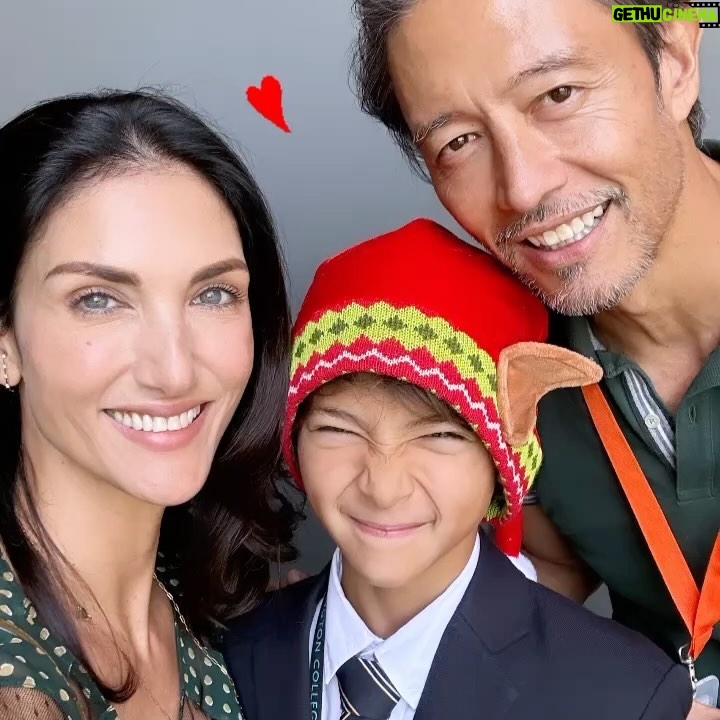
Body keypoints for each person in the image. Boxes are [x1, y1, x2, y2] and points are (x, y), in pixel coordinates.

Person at [350, 0, 720, 713]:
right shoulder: (499, 368)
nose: (522, 186)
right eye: (459, 142)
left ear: (674, 60)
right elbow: (545, 570)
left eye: (558, 94)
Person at [223, 218, 692, 720]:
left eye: (440, 436)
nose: (383, 488)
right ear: (294, 436)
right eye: (339, 429)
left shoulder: (624, 696)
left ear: (502, 465)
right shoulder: (233, 652)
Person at [0, 89, 300, 719]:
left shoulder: (214, 599)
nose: (174, 370)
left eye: (213, 294)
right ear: (6, 339)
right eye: (99, 299)